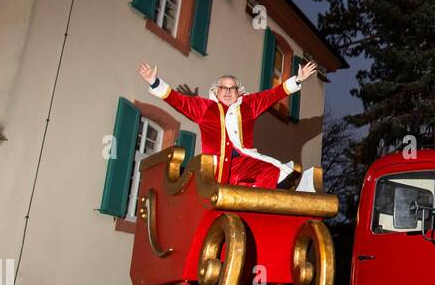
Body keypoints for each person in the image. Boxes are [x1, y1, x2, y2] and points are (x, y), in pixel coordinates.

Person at [136, 59, 319, 190]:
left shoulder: (249, 104)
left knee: (272, 171)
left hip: (244, 162)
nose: (228, 92)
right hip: (216, 168)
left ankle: (255, 207)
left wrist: (298, 79)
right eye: (224, 88)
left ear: (239, 92)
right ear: (216, 90)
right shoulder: (205, 107)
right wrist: (155, 82)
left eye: (232, 88)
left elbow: (274, 94)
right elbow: (178, 100)